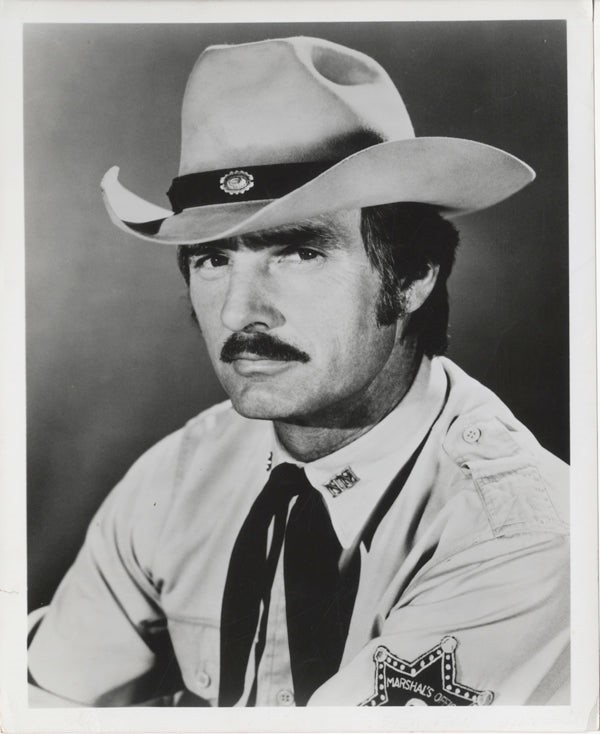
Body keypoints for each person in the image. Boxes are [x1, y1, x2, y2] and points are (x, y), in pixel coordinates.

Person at [27, 36, 569, 708]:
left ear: (412, 276)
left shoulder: (520, 536)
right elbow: (40, 705)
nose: (238, 311)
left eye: (299, 253)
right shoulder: (180, 474)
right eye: (213, 259)